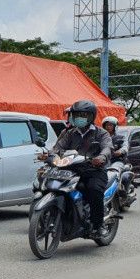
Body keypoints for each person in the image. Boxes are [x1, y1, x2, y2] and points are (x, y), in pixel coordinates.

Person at [47, 100, 112, 238]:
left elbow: (107, 148)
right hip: (71, 170)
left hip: (94, 171)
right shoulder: (69, 133)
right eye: (76, 114)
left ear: (91, 116)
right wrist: (51, 155)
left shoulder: (101, 133)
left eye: (83, 115)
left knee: (94, 190)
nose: (78, 118)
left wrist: (101, 158)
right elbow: (58, 148)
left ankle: (98, 225)